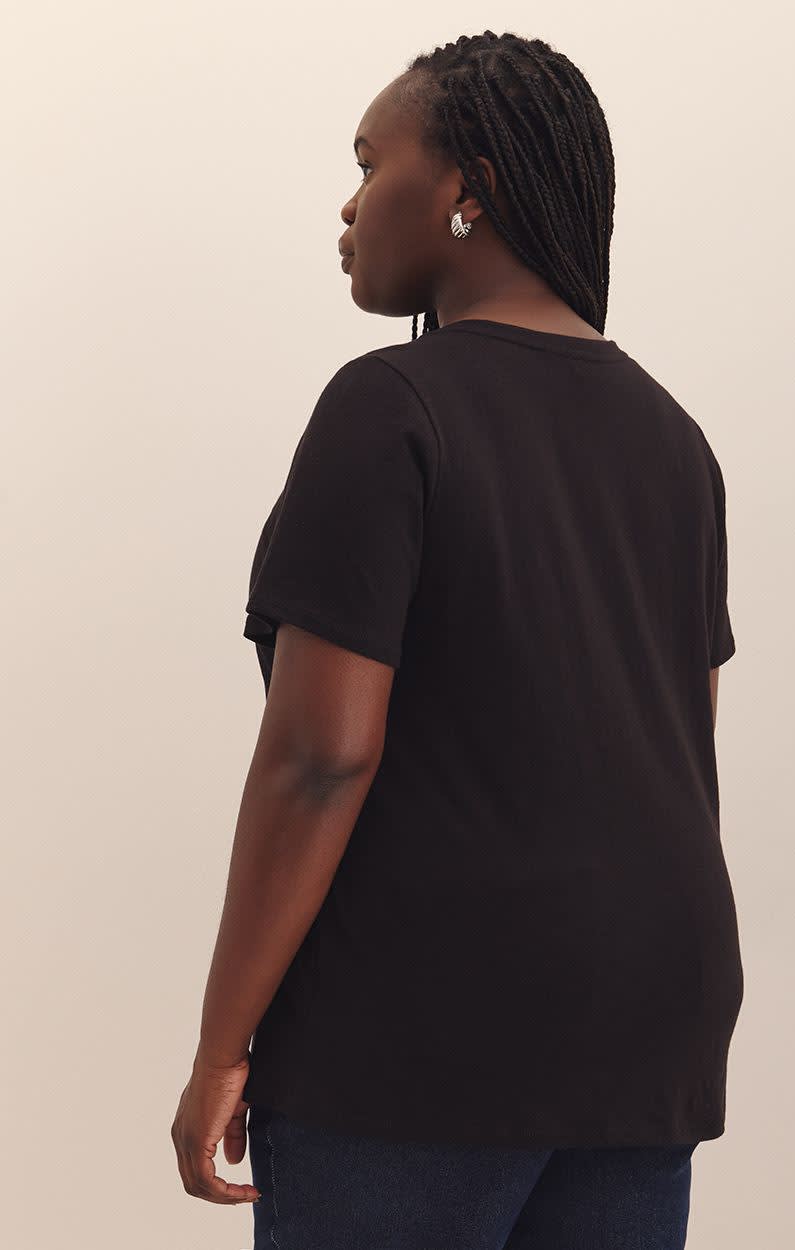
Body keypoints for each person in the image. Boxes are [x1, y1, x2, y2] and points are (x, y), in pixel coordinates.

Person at [171, 29, 743, 1250]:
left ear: (467, 188)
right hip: (652, 1019)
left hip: (425, 1024)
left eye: (369, 162)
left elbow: (320, 756)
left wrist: (221, 1044)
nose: (348, 203)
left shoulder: (389, 407)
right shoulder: (675, 439)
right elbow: (682, 750)